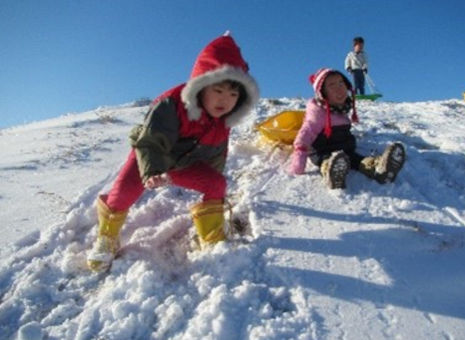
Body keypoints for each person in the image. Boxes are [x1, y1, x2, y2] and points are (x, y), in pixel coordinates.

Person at [87, 32, 259, 272]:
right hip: (151, 156)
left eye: (233, 95)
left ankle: (211, 235)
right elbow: (150, 142)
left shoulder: (223, 121)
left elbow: (217, 156)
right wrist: (153, 170)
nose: (225, 101)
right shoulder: (171, 103)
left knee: (217, 183)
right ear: (202, 86)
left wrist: (211, 186)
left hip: (184, 164)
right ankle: (107, 237)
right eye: (218, 91)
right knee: (124, 191)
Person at [287, 68, 405, 189]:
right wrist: (299, 160)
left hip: (344, 148)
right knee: (326, 160)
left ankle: (378, 169)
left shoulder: (342, 107)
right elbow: (306, 133)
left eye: (341, 83)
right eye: (332, 85)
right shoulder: (317, 112)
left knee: (355, 159)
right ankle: (330, 171)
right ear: (322, 93)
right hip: (323, 149)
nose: (339, 88)